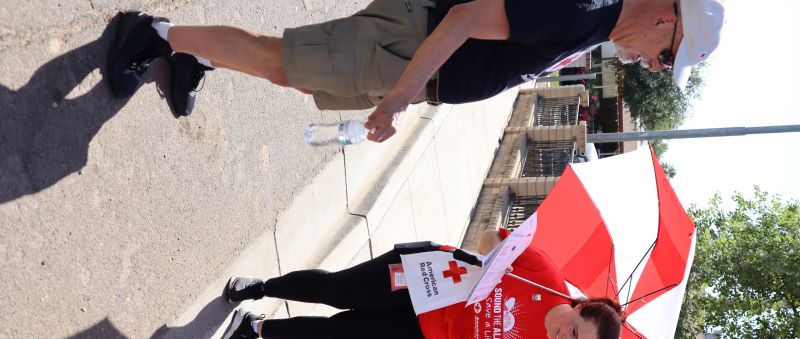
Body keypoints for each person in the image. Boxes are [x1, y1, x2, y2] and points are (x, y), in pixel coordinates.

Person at [106, 0, 726, 139]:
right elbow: (461, 19)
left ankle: (190, 54)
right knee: (281, 62)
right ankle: (154, 35)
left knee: (285, 71)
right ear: (669, 20)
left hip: (414, 61)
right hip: (412, 46)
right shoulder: (585, 8)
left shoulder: (595, 22)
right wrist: (402, 93)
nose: (651, 65)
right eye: (664, 56)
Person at [219, 229, 624, 339]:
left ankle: (255, 328)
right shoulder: (543, 274)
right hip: (425, 281)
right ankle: (260, 288)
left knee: (336, 334)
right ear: (580, 305)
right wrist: (494, 257)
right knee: (337, 289)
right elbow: (490, 236)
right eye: (574, 331)